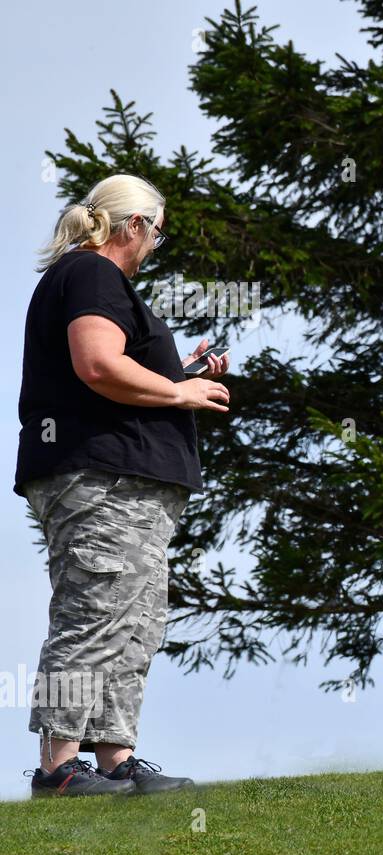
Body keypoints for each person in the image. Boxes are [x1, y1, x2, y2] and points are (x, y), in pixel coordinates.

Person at [16, 173, 231, 796]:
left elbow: (112, 366)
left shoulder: (91, 281)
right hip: (99, 475)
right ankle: (58, 766)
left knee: (134, 619)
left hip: (128, 478)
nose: (153, 248)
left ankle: (115, 759)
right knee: (92, 612)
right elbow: (97, 363)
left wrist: (178, 372)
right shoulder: (91, 273)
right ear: (132, 226)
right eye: (156, 235)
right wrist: (179, 389)